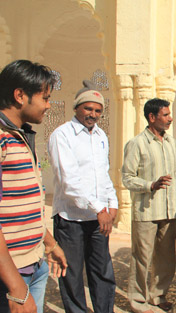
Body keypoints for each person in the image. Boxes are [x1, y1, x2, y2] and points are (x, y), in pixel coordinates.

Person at [122, 98, 176, 313]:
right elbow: (127, 177)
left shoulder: (171, 142)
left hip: (169, 210)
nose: (170, 118)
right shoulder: (137, 144)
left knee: (166, 257)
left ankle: (158, 295)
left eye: (170, 114)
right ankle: (138, 301)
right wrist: (150, 185)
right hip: (146, 211)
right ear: (152, 117)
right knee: (142, 258)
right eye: (165, 115)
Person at [0, 59, 67, 313]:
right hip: (10, 275)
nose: (49, 105)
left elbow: (25, 204)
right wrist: (16, 289)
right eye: (45, 98)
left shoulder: (20, 136)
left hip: (33, 264)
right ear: (20, 95)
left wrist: (49, 244)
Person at [48, 80, 118, 313]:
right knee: (72, 273)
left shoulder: (100, 136)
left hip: (98, 220)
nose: (93, 114)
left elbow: (103, 174)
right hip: (71, 218)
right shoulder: (62, 135)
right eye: (88, 108)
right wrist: (99, 209)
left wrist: (112, 203)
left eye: (98, 110)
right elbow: (69, 181)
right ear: (77, 107)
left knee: (102, 271)